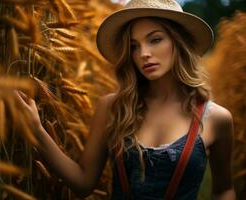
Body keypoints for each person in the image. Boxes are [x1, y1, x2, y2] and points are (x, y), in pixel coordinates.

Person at [15, 0, 236, 199]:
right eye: (134, 46)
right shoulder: (112, 107)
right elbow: (83, 184)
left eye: (155, 40)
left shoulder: (216, 118)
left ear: (178, 43)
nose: (143, 53)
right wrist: (36, 130)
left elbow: (223, 189)